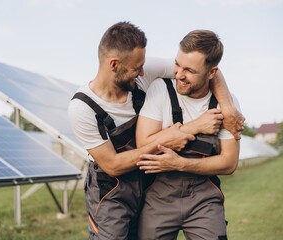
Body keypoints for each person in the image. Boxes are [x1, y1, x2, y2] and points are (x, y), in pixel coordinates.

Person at [68, 22, 244, 240]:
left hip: (147, 180)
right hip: (113, 188)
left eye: (143, 65)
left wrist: (227, 106)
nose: (143, 72)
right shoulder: (82, 109)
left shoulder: (143, 69)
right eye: (137, 68)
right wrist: (180, 133)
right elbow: (113, 165)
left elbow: (206, 69)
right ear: (114, 64)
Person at [136, 29, 241, 240]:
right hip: (159, 197)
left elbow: (229, 163)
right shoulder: (160, 89)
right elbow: (143, 146)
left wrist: (179, 163)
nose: (179, 75)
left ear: (212, 73)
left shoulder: (226, 104)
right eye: (177, 64)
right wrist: (194, 126)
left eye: (190, 70)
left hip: (204, 199)